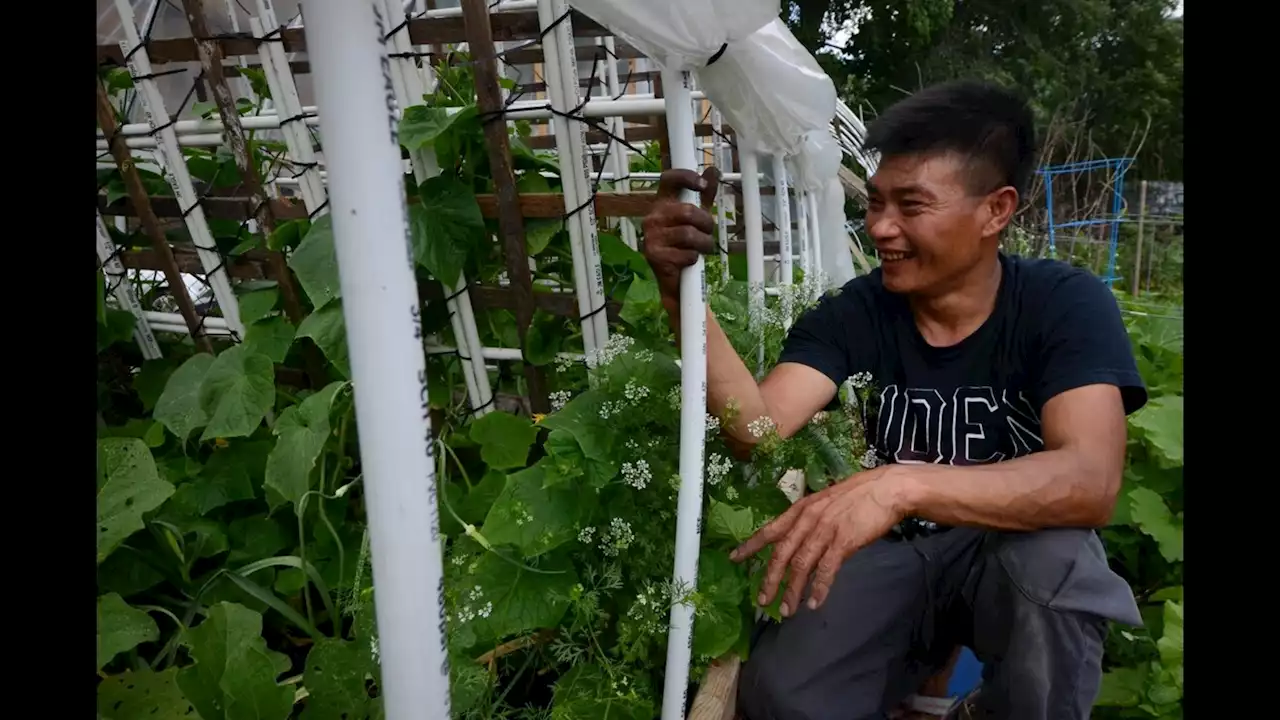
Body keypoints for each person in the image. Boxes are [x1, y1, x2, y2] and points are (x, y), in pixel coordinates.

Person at [640, 80, 1145, 720]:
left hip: (1005, 550)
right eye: (876, 202)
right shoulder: (861, 310)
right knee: (782, 697)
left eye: (912, 205)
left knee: (1059, 581)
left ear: (997, 210)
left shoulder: (1062, 303)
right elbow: (755, 428)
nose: (880, 227)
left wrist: (897, 485)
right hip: (898, 550)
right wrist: (679, 292)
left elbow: (1090, 479)